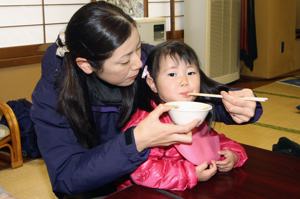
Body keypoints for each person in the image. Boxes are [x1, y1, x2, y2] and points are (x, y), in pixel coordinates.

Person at [30, 1, 262, 198]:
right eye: (124, 61)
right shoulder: (51, 96)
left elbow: (203, 93)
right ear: (86, 65)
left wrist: (242, 107)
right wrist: (136, 141)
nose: (139, 64)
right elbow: (66, 179)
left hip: (159, 182)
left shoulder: (147, 60)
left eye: (138, 48)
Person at [120, 40, 248, 191]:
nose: (184, 81)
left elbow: (213, 140)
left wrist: (233, 156)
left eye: (191, 72)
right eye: (172, 74)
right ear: (152, 83)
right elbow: (142, 170)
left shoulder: (194, 111)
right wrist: (190, 174)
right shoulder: (147, 122)